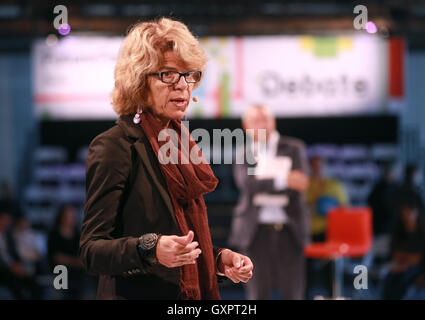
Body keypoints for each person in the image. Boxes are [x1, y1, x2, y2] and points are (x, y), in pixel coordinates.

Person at [79, 17, 253, 300]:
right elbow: (91, 251)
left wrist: (219, 260)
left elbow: (181, 239)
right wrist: (150, 248)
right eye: (169, 74)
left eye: (190, 75)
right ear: (138, 81)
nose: (183, 86)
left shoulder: (182, 146)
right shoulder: (115, 146)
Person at [229, 104, 310, 300]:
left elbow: (299, 182)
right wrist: (282, 179)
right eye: (256, 121)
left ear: (273, 122)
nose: (261, 125)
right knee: (257, 294)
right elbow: (247, 184)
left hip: (289, 230)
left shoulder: (293, 147)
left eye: (265, 119)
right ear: (246, 126)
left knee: (293, 293)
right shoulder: (243, 152)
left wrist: (262, 181)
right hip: (254, 232)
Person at [382, 201, 425, 299]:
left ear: (416, 212)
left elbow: (418, 258)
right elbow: (395, 253)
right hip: (400, 265)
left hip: (417, 268)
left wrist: (406, 262)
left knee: (402, 281)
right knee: (389, 279)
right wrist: (403, 261)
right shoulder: (399, 230)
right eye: (404, 212)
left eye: (410, 212)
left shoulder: (422, 232)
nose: (407, 215)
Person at [306, 155, 349, 242]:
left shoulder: (334, 185)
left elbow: (344, 206)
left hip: (329, 229)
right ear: (309, 166)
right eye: (314, 165)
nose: (317, 168)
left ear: (324, 166)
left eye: (319, 165)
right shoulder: (305, 184)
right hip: (308, 228)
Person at [0, 211, 42, 299]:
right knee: (15, 280)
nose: (6, 223)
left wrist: (17, 265)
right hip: (4, 269)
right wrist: (11, 266)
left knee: (33, 281)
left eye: (8, 220)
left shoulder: (9, 237)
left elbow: (13, 255)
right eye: (3, 220)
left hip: (14, 266)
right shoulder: (11, 235)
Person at [48, 204, 85, 299]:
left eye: (73, 216)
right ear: (61, 217)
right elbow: (57, 257)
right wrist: (75, 261)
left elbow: (83, 257)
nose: (71, 219)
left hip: (78, 273)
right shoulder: (54, 234)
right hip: (60, 271)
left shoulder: (79, 235)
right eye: (68, 216)